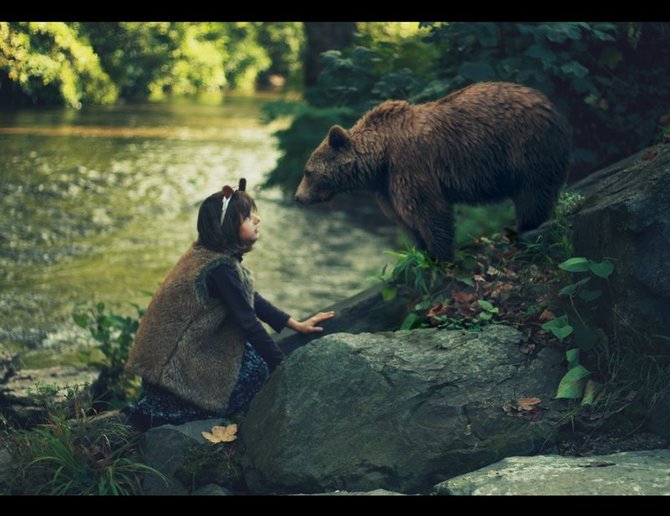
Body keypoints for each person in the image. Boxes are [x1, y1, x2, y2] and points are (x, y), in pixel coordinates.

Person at [124, 178, 335, 429]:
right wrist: (284, 367)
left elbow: (249, 298)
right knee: (256, 373)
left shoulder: (209, 255)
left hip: (166, 368)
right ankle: (165, 416)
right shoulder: (219, 268)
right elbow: (249, 322)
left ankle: (164, 410)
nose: (257, 219)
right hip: (172, 373)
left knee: (252, 358)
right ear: (226, 228)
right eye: (247, 217)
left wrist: (295, 324)